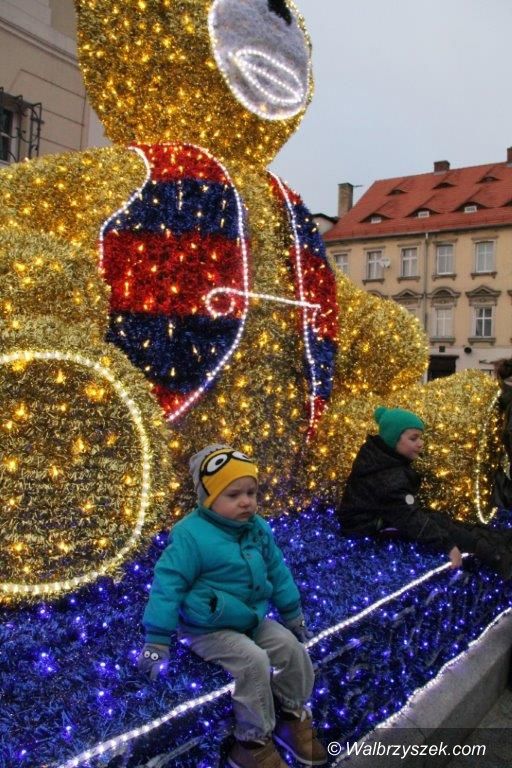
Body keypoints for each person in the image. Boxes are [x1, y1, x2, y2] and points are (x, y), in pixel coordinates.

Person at [137, 444, 327, 768]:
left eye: (251, 492)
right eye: (233, 494)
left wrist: (293, 615)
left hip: (251, 617)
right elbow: (168, 584)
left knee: (291, 648)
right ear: (209, 499)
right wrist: (157, 640)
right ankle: (251, 743)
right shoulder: (190, 535)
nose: (246, 502)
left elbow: (277, 571)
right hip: (207, 627)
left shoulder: (257, 528)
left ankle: (292, 716)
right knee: (252, 661)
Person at [338, 406, 512, 578]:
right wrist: (448, 546)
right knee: (431, 522)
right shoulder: (388, 479)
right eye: (414, 438)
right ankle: (494, 555)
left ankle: (494, 539)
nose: (421, 443)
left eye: (420, 438)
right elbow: (410, 519)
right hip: (368, 526)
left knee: (436, 518)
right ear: (393, 439)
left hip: (382, 515)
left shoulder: (381, 458)